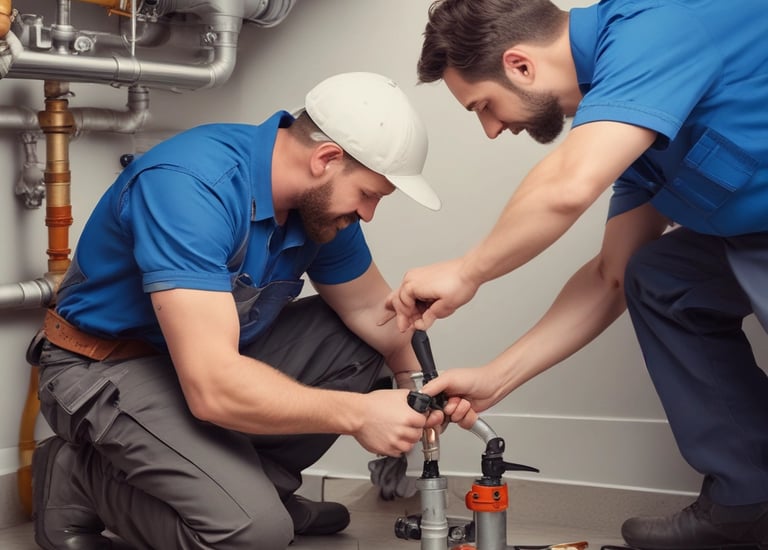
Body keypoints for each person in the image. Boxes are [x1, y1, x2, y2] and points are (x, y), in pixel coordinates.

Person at [386, 1, 768, 549]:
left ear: (520, 65)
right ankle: (746, 502)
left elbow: (569, 185)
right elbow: (611, 276)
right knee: (658, 276)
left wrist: (469, 271)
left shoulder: (656, 26)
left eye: (484, 106)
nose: (492, 130)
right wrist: (497, 378)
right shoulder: (635, 133)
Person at [27, 71, 459, 550]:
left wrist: (417, 387)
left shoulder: (319, 213)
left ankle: (259, 489)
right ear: (327, 159)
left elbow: (377, 316)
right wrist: (360, 414)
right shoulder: (190, 186)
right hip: (103, 365)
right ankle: (78, 477)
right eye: (369, 195)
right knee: (252, 535)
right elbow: (213, 389)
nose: (369, 214)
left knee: (359, 337)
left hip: (195, 366)